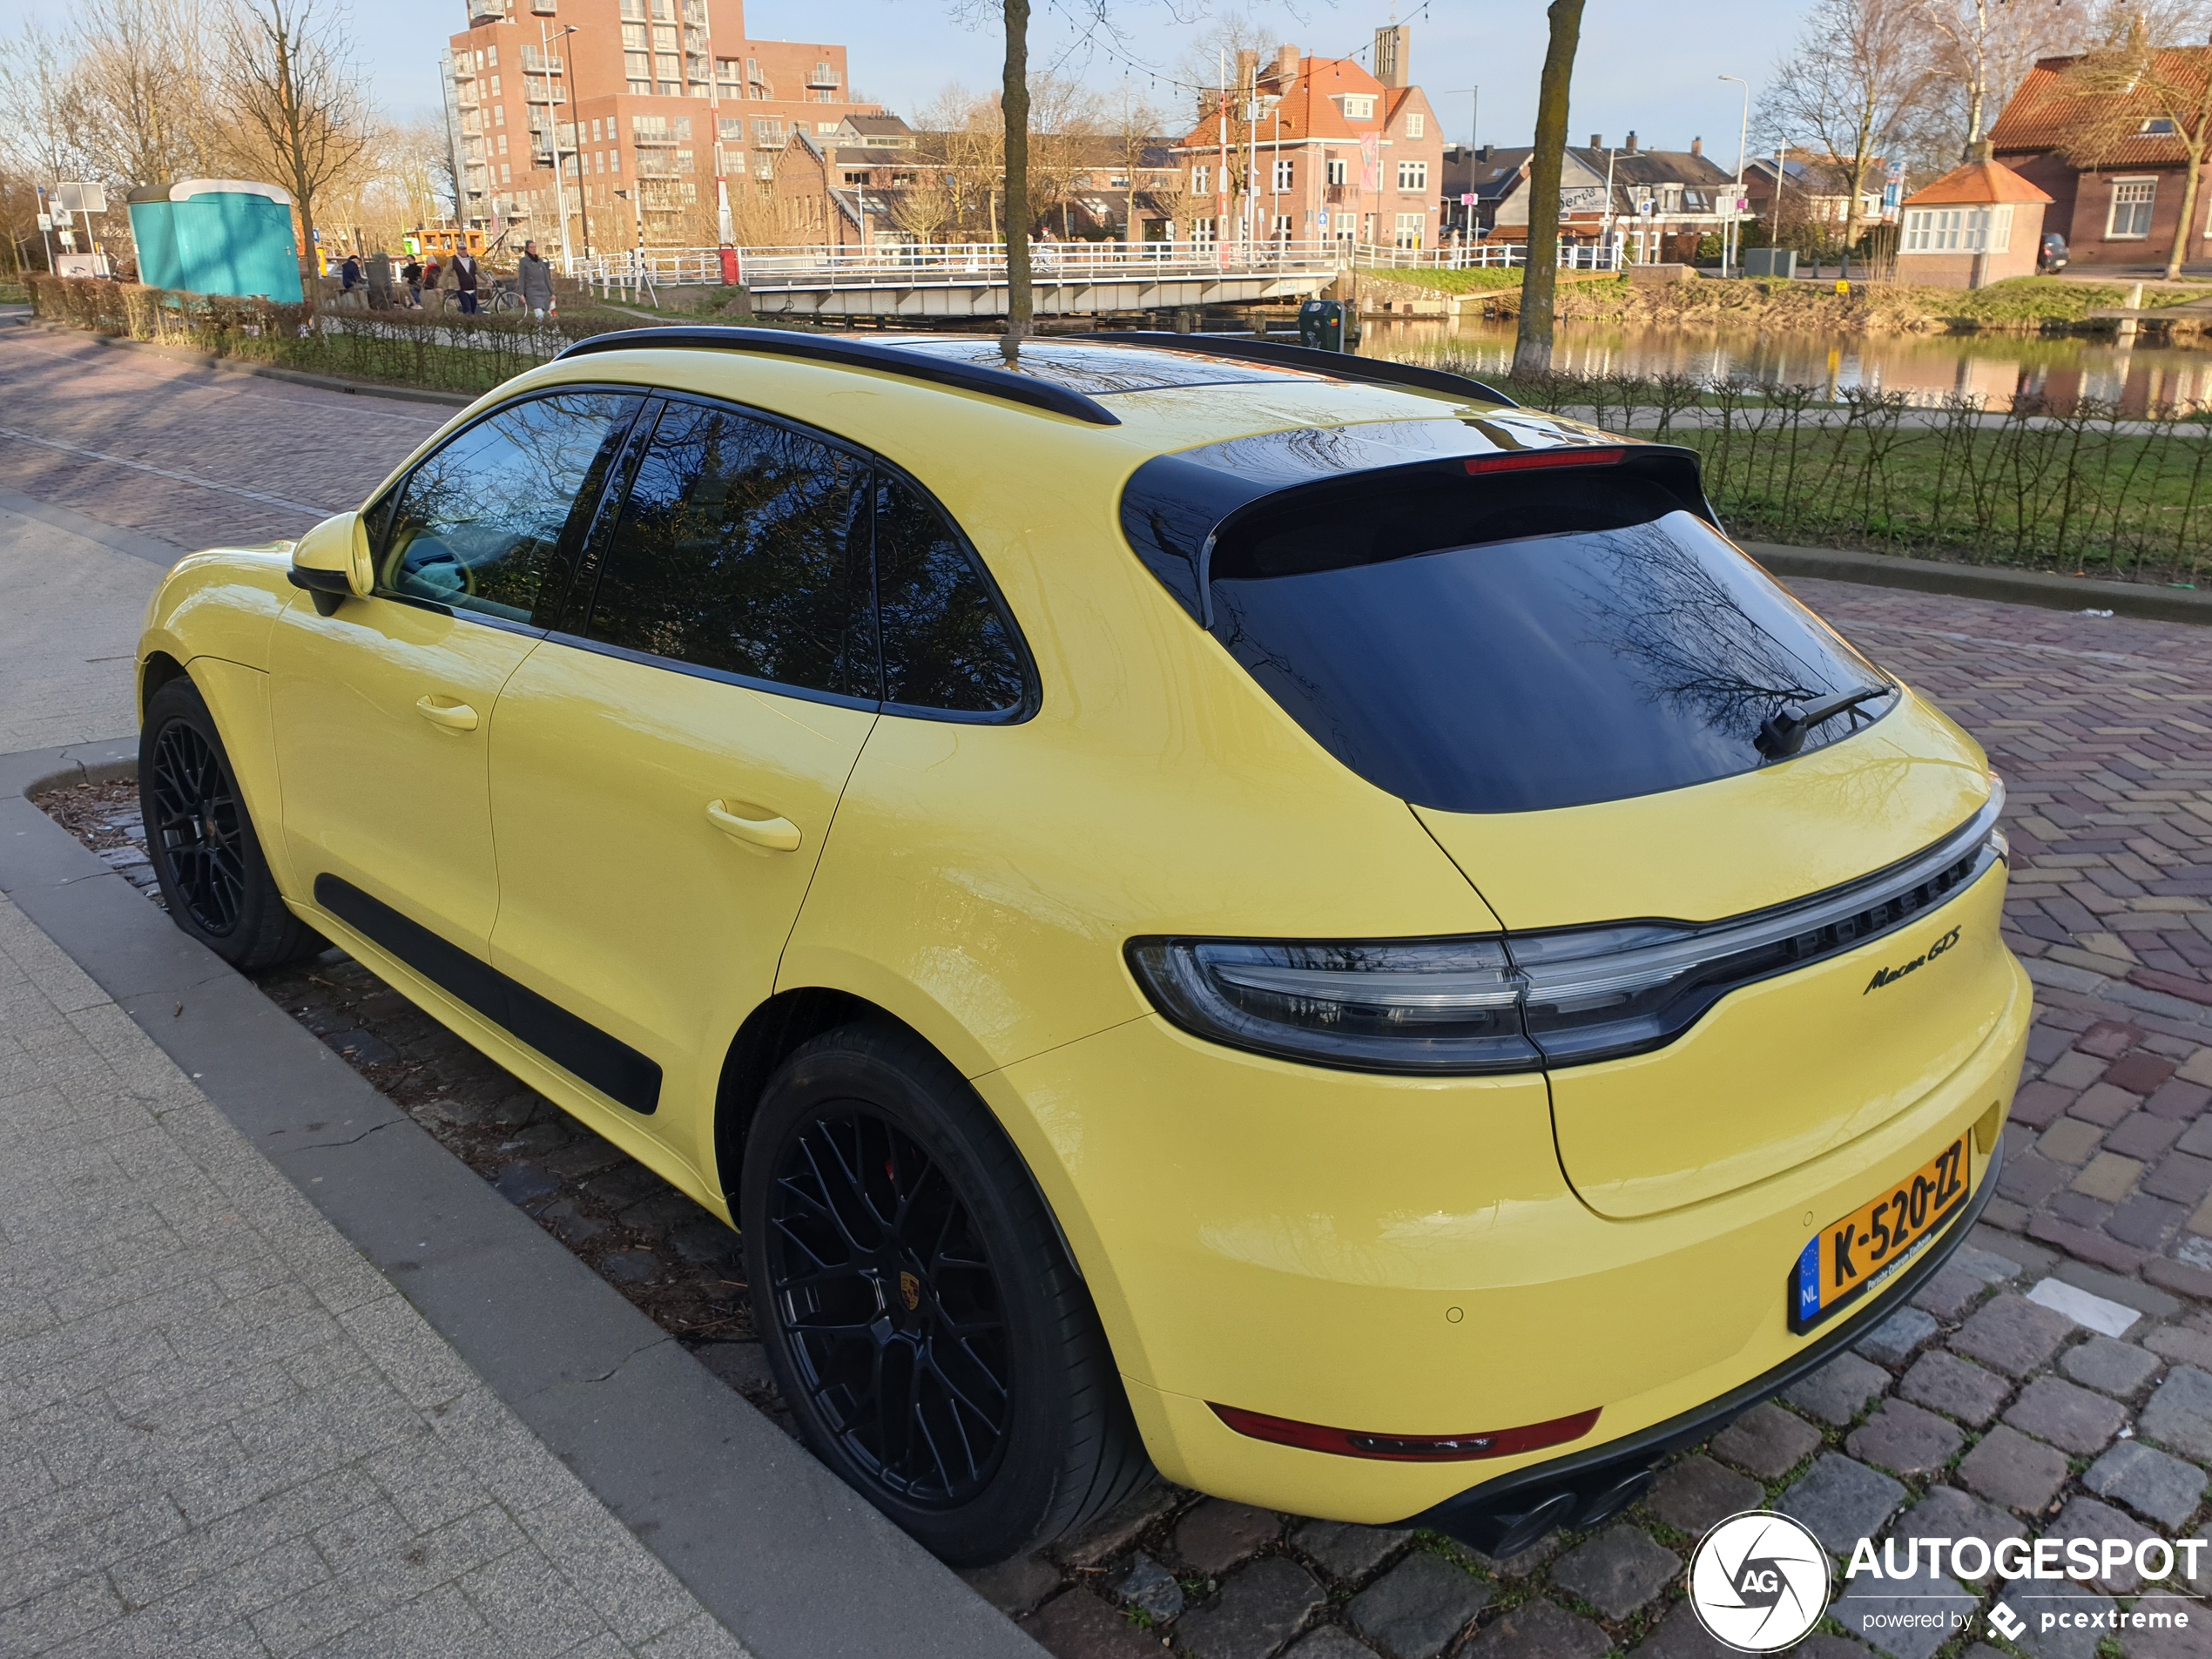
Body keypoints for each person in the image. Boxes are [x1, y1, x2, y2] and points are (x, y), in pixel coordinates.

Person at [517, 239, 556, 320]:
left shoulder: (540, 261)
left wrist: (552, 292)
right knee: (539, 312)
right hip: (532, 290)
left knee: (552, 313)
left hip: (543, 291)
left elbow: (546, 278)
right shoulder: (524, 261)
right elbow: (522, 277)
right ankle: (540, 331)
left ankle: (553, 330)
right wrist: (521, 293)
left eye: (534, 247)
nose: (534, 249)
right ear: (527, 249)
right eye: (531, 247)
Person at [452, 247, 480, 315]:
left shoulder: (472, 260)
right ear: (458, 250)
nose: (463, 251)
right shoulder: (453, 260)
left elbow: (479, 271)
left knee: (473, 308)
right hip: (462, 288)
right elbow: (446, 273)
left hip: (472, 288)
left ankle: (471, 322)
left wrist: (487, 280)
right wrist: (440, 286)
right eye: (461, 249)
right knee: (467, 309)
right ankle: (468, 324)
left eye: (464, 249)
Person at [366, 247, 393, 311]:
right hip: (382, 286)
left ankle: (375, 306)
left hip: (376, 286)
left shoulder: (371, 267)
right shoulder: (383, 267)